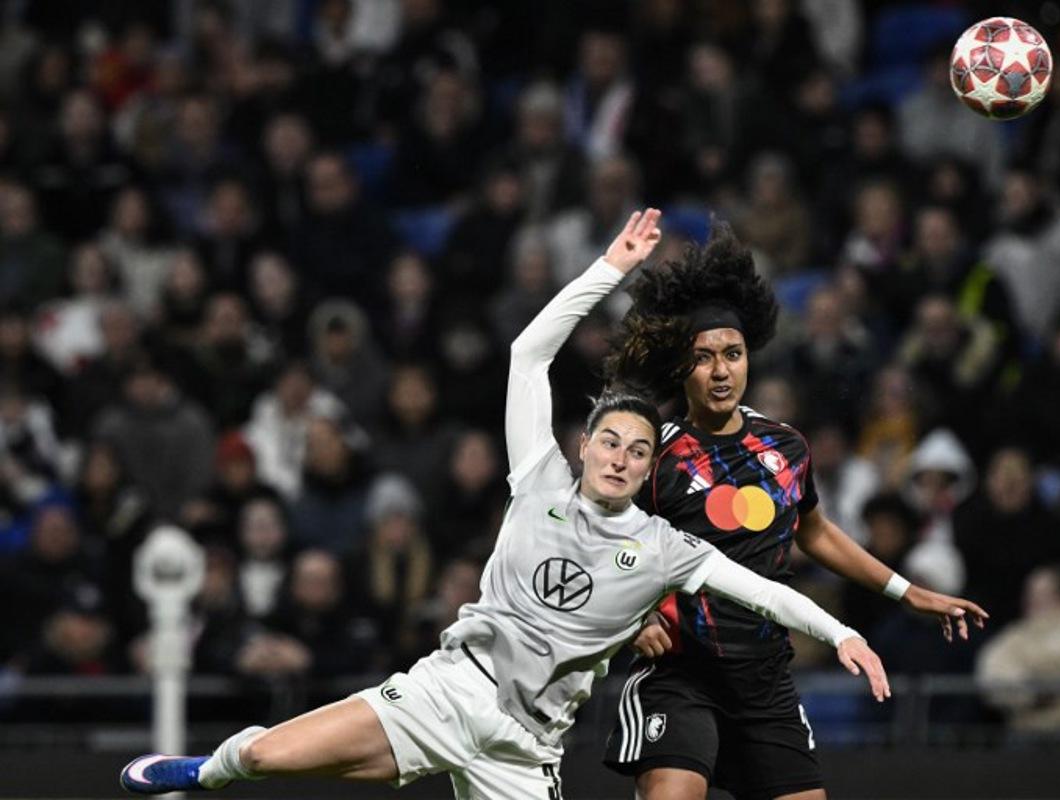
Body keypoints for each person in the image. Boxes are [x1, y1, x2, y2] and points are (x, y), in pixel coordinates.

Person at [118, 209, 889, 797]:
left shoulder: (665, 547)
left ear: (653, 465)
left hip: (524, 751)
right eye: (609, 442)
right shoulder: (538, 479)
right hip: (446, 694)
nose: (621, 457)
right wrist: (607, 269)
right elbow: (528, 354)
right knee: (260, 757)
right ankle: (199, 772)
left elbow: (759, 588)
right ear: (582, 447)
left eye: (639, 450)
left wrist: (843, 631)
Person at [602, 223, 988, 800]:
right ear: (681, 366)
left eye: (732, 354)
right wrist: (634, 618)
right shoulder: (652, 450)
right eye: (703, 357)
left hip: (764, 677)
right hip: (680, 673)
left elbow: (817, 533)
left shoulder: (785, 448)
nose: (721, 370)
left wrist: (910, 593)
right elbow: (599, 541)